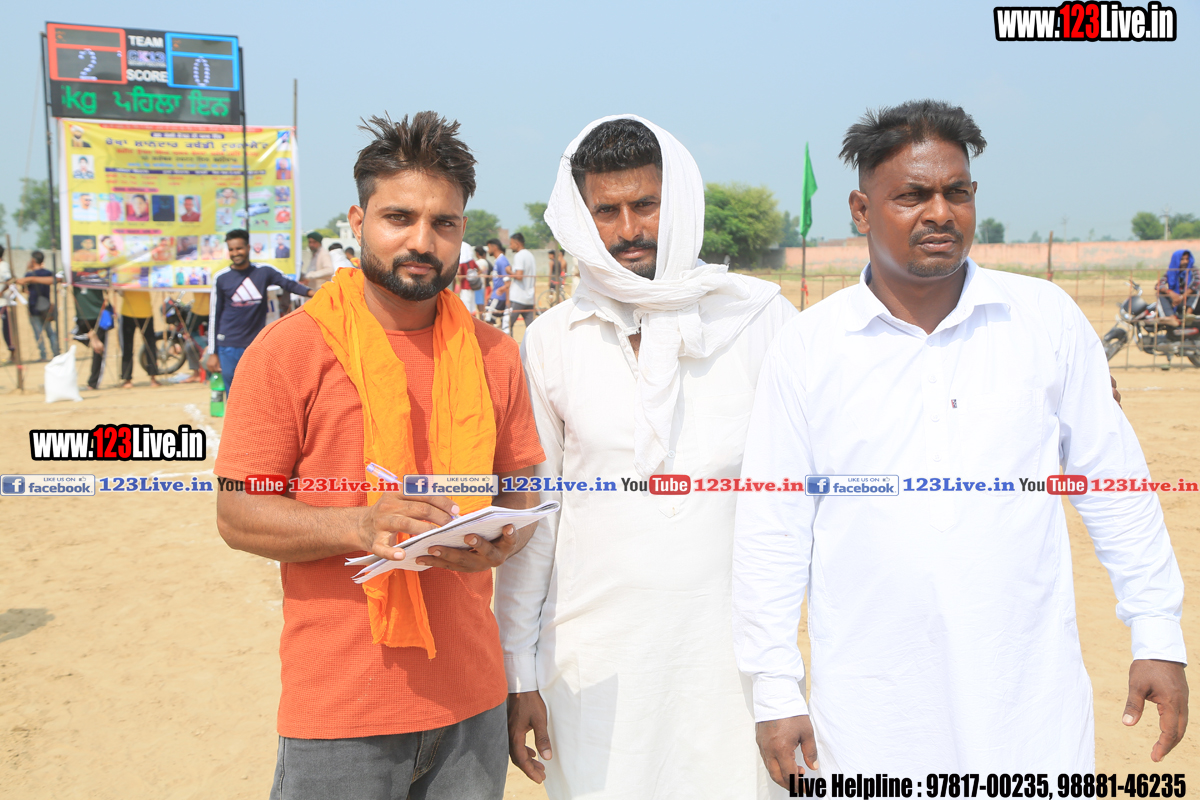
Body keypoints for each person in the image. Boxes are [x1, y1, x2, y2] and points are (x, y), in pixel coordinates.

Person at [734, 100, 1188, 782]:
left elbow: (1113, 483)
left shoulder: (1043, 321)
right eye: (912, 195)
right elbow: (772, 527)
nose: (940, 213)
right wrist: (774, 686)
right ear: (861, 210)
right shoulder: (809, 349)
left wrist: (1157, 633)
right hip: (869, 711)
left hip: (1026, 703)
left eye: (957, 192)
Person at [213, 111, 546, 800]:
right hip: (342, 713)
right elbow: (238, 514)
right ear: (358, 221)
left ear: (462, 231)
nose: (422, 241)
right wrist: (359, 525)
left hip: (472, 705)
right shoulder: (291, 351)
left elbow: (520, 491)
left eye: (443, 223)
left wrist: (499, 542)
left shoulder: (495, 355)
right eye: (399, 218)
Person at [495, 116, 796, 799]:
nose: (629, 229)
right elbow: (537, 518)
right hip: (593, 666)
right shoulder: (553, 340)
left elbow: (804, 505)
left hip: (732, 667)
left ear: (680, 201)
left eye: (646, 204)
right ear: (582, 218)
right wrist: (520, 671)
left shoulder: (760, 322)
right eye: (607, 211)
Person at [204, 229, 313, 393]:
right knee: (233, 393)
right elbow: (215, 315)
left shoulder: (263, 272)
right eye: (231, 249)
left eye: (239, 248)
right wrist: (213, 352)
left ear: (248, 248)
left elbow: (288, 284)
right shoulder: (221, 278)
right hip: (228, 345)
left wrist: (313, 293)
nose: (235, 253)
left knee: (258, 391)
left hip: (255, 344)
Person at [17, 251, 61, 362]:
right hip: (46, 306)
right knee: (50, 331)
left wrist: (27, 269)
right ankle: (56, 354)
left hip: (34, 307)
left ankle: (43, 355)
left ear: (33, 260)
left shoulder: (29, 275)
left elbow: (24, 289)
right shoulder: (48, 273)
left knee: (38, 333)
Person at [72, 283, 109, 389]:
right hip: (92, 314)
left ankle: (93, 382)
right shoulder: (100, 275)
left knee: (98, 350)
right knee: (98, 350)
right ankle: (91, 338)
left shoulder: (76, 274)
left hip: (93, 314)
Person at [1154, 249, 1197, 327]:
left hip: (1188, 300)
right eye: (1182, 259)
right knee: (1160, 293)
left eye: (1187, 259)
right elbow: (1158, 285)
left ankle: (1188, 314)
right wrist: (1170, 293)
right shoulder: (1171, 271)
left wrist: (1181, 297)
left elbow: (1196, 282)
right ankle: (1170, 318)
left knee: (1198, 288)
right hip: (1174, 300)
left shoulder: (1193, 269)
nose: (1185, 262)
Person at [506, 232, 537, 333]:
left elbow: (519, 276)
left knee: (507, 325)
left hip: (518, 297)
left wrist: (509, 271)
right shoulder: (530, 255)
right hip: (529, 298)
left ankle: (509, 344)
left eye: (511, 244)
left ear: (517, 244)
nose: (510, 247)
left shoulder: (519, 255)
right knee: (531, 329)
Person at [483, 239, 509, 326]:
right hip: (495, 296)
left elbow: (508, 282)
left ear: (494, 247)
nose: (488, 250)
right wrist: (491, 294)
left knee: (488, 320)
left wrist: (502, 290)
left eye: (489, 247)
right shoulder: (498, 261)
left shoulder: (502, 261)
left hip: (498, 297)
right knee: (489, 320)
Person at [0, 246, 14, 361]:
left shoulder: (3, 266)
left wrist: (1, 292)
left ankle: (13, 353)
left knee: (7, 329)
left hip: (4, 302)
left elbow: (9, 281)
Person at [458, 240, 479, 316]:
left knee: (466, 306)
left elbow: (459, 272)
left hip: (465, 287)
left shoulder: (462, 263)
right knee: (472, 306)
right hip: (472, 286)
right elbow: (479, 269)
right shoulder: (472, 261)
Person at [474, 245, 490, 310]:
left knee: (479, 303)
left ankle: (481, 315)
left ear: (477, 253)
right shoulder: (485, 262)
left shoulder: (477, 262)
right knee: (482, 302)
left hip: (478, 285)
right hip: (484, 285)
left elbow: (476, 274)